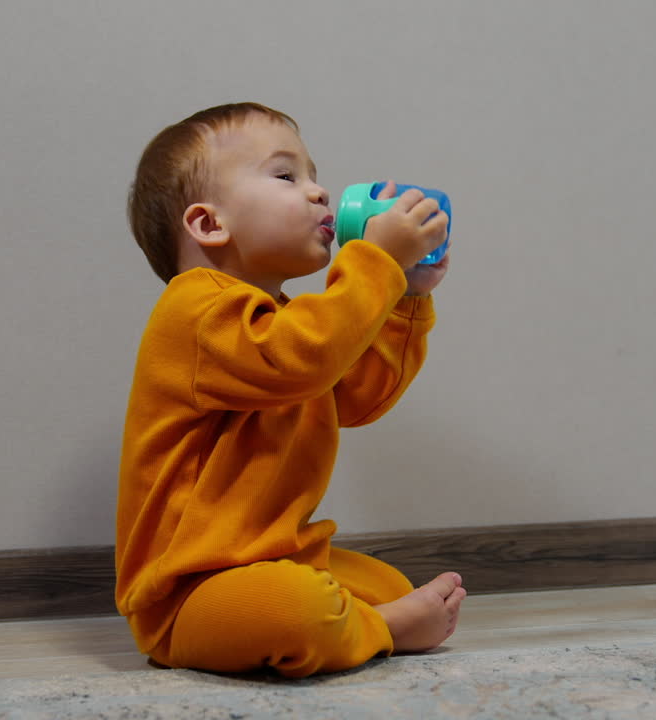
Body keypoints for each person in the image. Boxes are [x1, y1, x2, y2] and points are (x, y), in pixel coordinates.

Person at [115, 102, 466, 678]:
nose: (319, 193)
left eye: (313, 175)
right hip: (189, 591)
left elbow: (359, 398)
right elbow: (303, 359)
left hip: (271, 556)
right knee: (295, 609)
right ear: (209, 225)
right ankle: (380, 629)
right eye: (286, 176)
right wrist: (376, 261)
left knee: (386, 583)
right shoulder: (194, 311)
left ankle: (364, 617)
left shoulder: (286, 321)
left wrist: (406, 296)